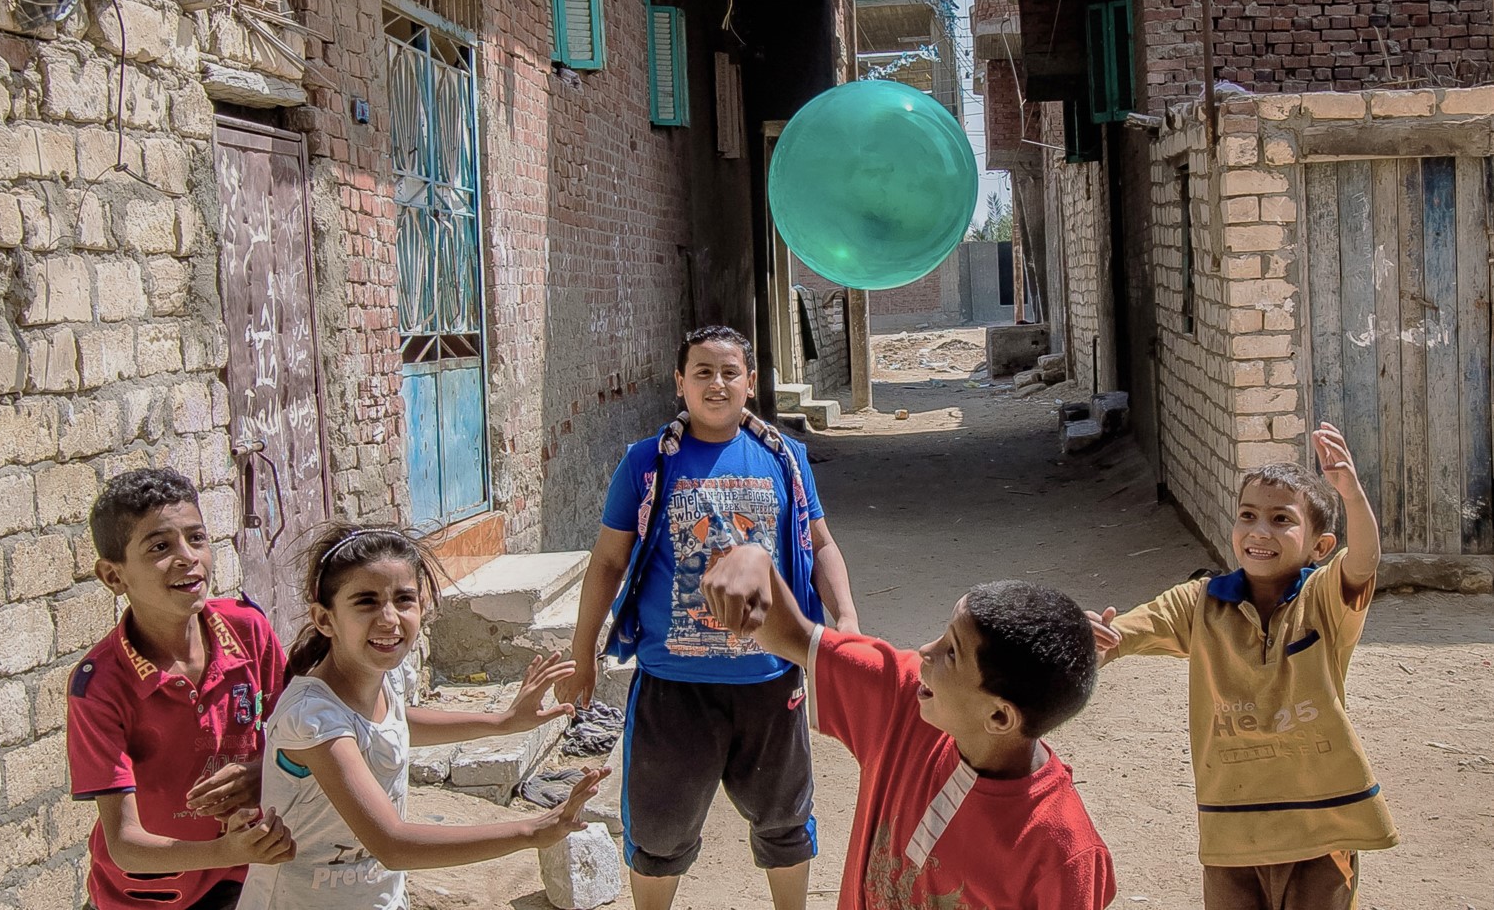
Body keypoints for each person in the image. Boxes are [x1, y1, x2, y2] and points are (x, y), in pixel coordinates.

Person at [554, 324, 860, 910]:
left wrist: (845, 619)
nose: (716, 384)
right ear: (680, 383)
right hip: (674, 687)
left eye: (729, 372)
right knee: (659, 833)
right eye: (702, 372)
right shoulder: (647, 464)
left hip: (771, 682)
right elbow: (608, 563)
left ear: (749, 382)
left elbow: (820, 545)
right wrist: (583, 649)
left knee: (785, 823)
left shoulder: (786, 459)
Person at [1086, 422, 1398, 909]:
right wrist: (1097, 638)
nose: (1258, 531)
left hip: (1322, 825)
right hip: (1232, 827)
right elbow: (1124, 634)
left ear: (1319, 547)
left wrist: (1351, 493)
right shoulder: (1200, 603)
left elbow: (1362, 562)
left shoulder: (1323, 601)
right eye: (1248, 515)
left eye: (1280, 520)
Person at [701, 550, 1116, 909]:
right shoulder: (903, 701)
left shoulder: (1062, 852)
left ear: (1000, 718)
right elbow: (793, 635)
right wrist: (754, 560)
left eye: (951, 652)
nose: (924, 651)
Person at [236, 524, 605, 910]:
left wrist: (502, 723)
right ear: (325, 620)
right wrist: (532, 830)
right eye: (366, 601)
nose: (390, 618)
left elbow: (392, 723)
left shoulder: (383, 677)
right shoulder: (312, 717)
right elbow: (393, 845)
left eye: (404, 599)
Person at [68, 468, 295, 910]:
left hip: (244, 876)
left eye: (197, 538)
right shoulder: (100, 685)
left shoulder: (247, 631)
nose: (188, 557)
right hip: (145, 895)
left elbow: (304, 738)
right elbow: (125, 843)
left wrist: (262, 771)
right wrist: (225, 851)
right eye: (159, 547)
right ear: (114, 577)